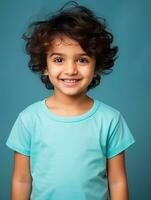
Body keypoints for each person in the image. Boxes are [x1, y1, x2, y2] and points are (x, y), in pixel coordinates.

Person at [6, 1, 135, 200]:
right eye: (59, 60)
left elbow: (117, 181)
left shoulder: (110, 120)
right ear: (45, 66)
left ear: (96, 65)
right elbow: (21, 180)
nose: (71, 70)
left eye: (82, 60)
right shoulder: (29, 119)